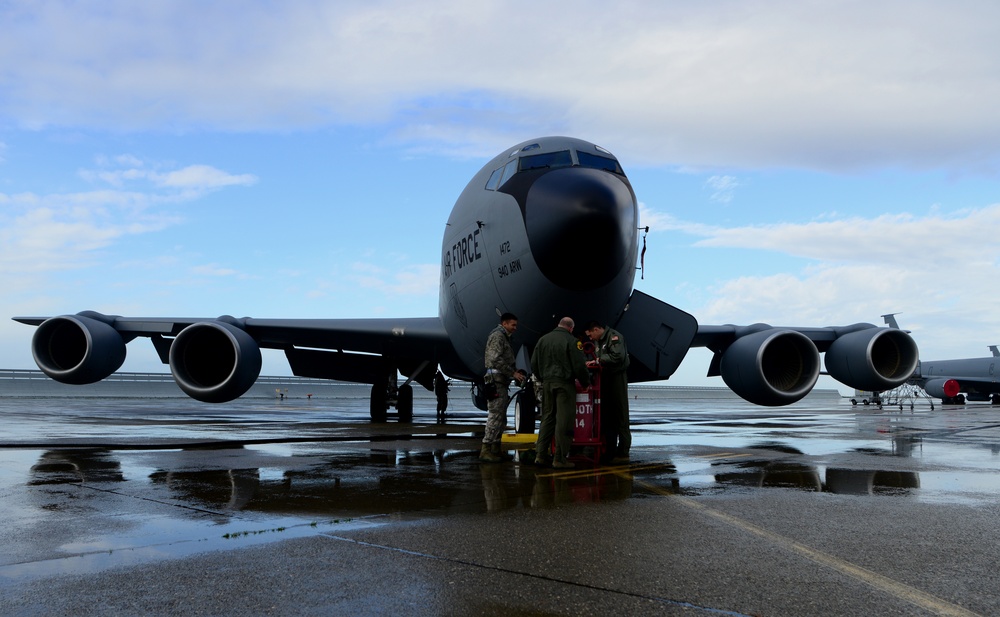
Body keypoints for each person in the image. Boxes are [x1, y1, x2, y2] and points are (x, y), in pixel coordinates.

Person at [531, 317, 590, 469]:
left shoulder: (543, 340)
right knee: (564, 421)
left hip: (547, 383)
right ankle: (560, 458)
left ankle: (541, 455)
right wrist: (585, 383)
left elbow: (534, 364)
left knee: (547, 418)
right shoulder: (572, 341)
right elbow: (579, 365)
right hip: (564, 384)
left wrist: (542, 377)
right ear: (571, 328)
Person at [480, 312, 526, 463]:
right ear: (504, 323)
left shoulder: (504, 337)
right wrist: (512, 372)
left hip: (501, 381)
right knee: (495, 416)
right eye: (513, 325)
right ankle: (486, 449)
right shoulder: (498, 336)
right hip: (496, 381)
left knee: (501, 417)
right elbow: (494, 359)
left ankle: (495, 448)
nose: (515, 328)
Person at [584, 321, 631, 463]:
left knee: (620, 413)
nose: (590, 338)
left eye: (590, 334)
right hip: (605, 378)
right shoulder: (600, 341)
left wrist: (598, 360)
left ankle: (623, 453)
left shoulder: (614, 337)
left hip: (617, 378)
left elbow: (618, 356)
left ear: (597, 329)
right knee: (605, 415)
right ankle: (608, 449)